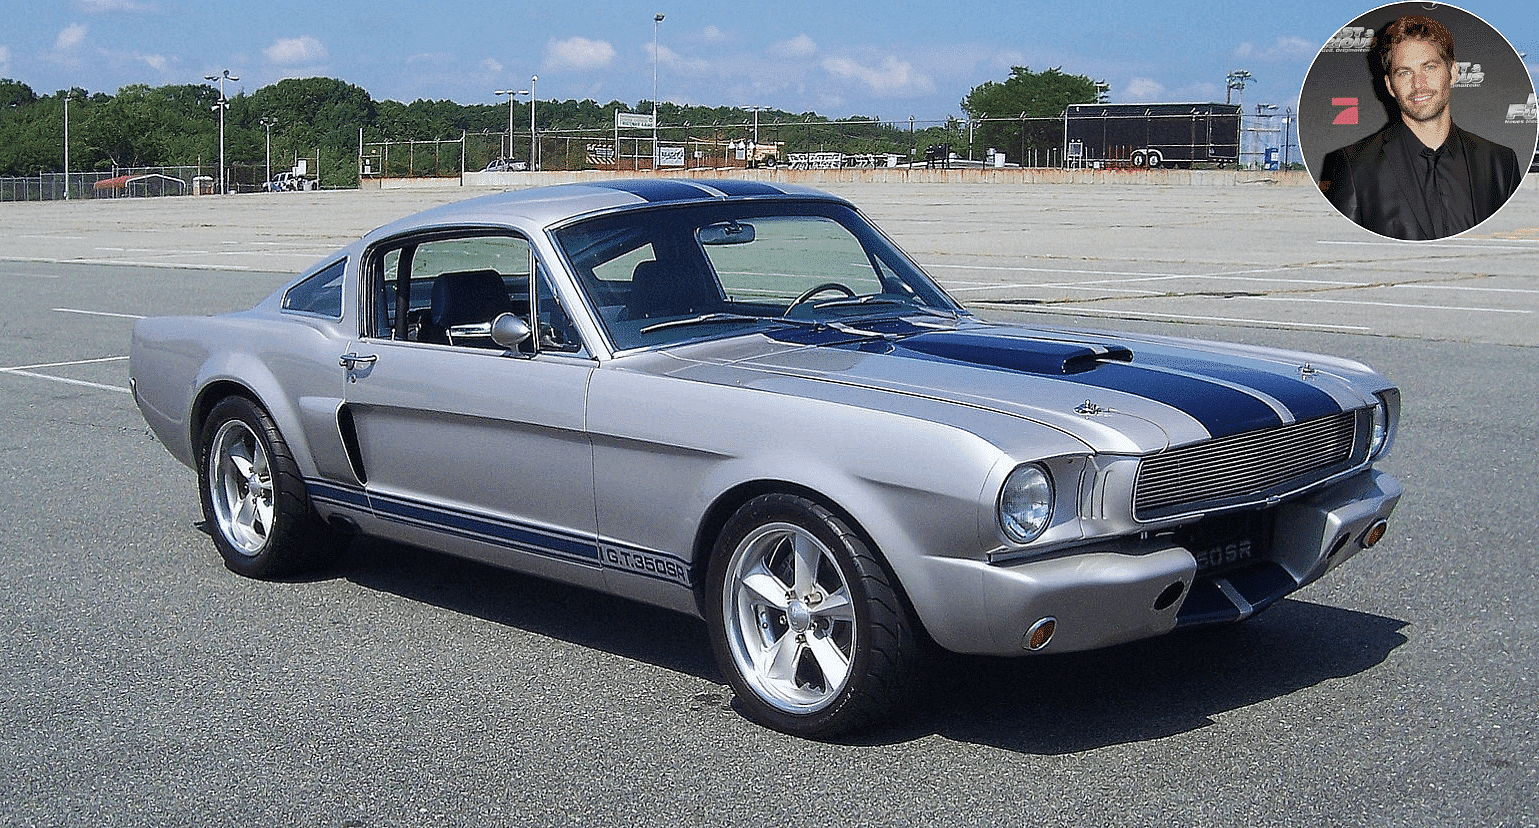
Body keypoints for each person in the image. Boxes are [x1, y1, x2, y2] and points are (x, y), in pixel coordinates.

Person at [1320, 15, 1522, 240]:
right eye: (1404, 72)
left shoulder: (1501, 163)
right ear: (1390, 86)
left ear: (1453, 72)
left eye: (1429, 67)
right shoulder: (1354, 167)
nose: (1418, 84)